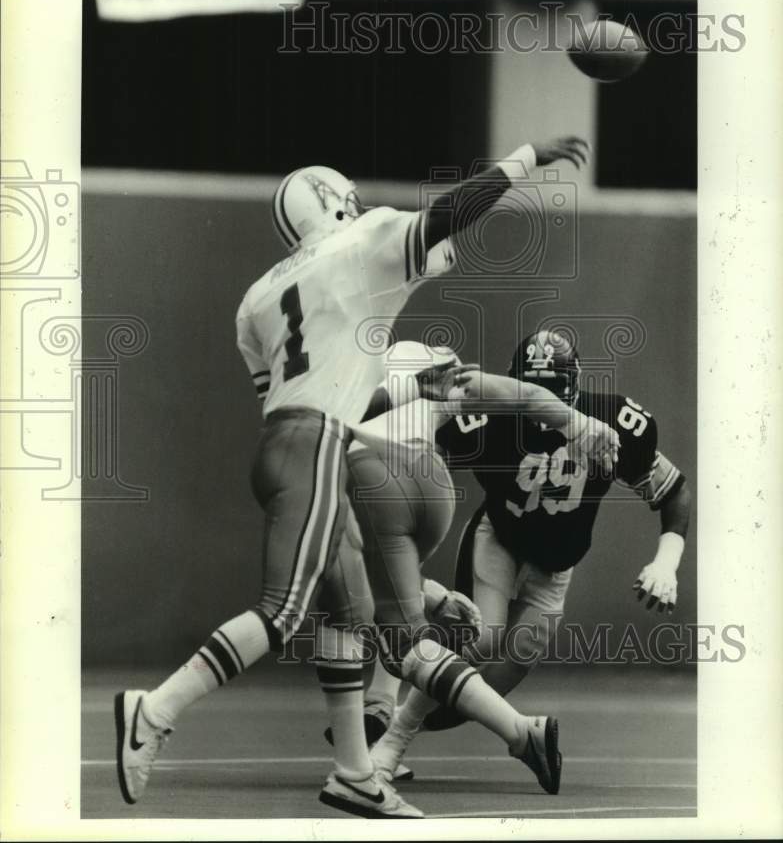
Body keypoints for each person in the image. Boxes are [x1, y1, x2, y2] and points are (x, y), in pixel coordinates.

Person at [114, 137, 591, 818]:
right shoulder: (364, 240)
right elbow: (452, 212)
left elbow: (315, 396)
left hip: (292, 447)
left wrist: (409, 389)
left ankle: (354, 773)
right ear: (338, 201)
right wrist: (528, 157)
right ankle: (155, 709)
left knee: (348, 618)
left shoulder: (256, 299)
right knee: (282, 612)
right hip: (319, 449)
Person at [368, 328, 691, 779]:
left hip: (556, 562)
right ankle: (390, 735)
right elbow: (419, 460)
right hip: (500, 538)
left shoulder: (614, 422)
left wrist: (666, 562)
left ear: (575, 387)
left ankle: (399, 718)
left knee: (513, 658)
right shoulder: (489, 418)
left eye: (553, 390)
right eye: (533, 388)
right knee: (481, 638)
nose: (544, 402)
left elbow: (673, 492)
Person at [334, 339, 620, 795]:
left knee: (360, 613)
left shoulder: (337, 389)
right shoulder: (438, 367)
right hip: (431, 490)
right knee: (408, 623)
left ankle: (384, 723)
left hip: (379, 484)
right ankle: (383, 726)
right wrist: (580, 424)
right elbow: (525, 396)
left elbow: (329, 436)